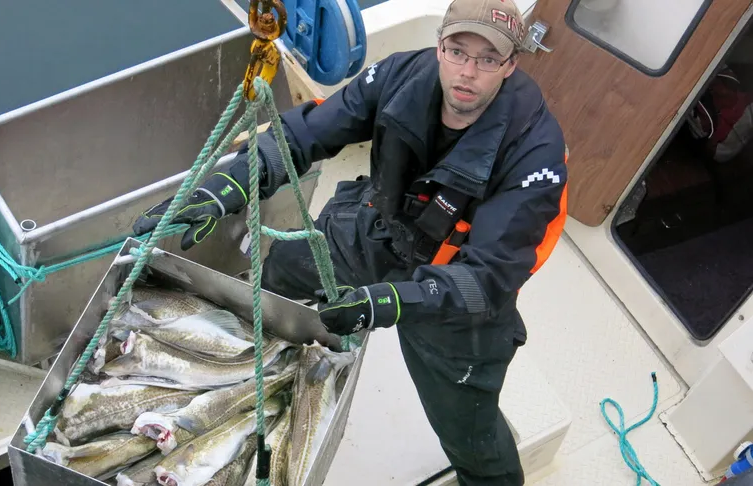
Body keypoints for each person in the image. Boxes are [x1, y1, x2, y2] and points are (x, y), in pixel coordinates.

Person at [132, 0, 568, 483]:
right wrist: (234, 185)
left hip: (453, 288)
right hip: (378, 229)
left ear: (510, 65)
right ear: (439, 46)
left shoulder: (537, 151)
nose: (468, 71)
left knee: (468, 426)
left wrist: (392, 302)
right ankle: (231, 372)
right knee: (276, 277)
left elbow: (489, 278)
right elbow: (307, 132)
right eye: (458, 50)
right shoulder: (401, 75)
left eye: (488, 59)